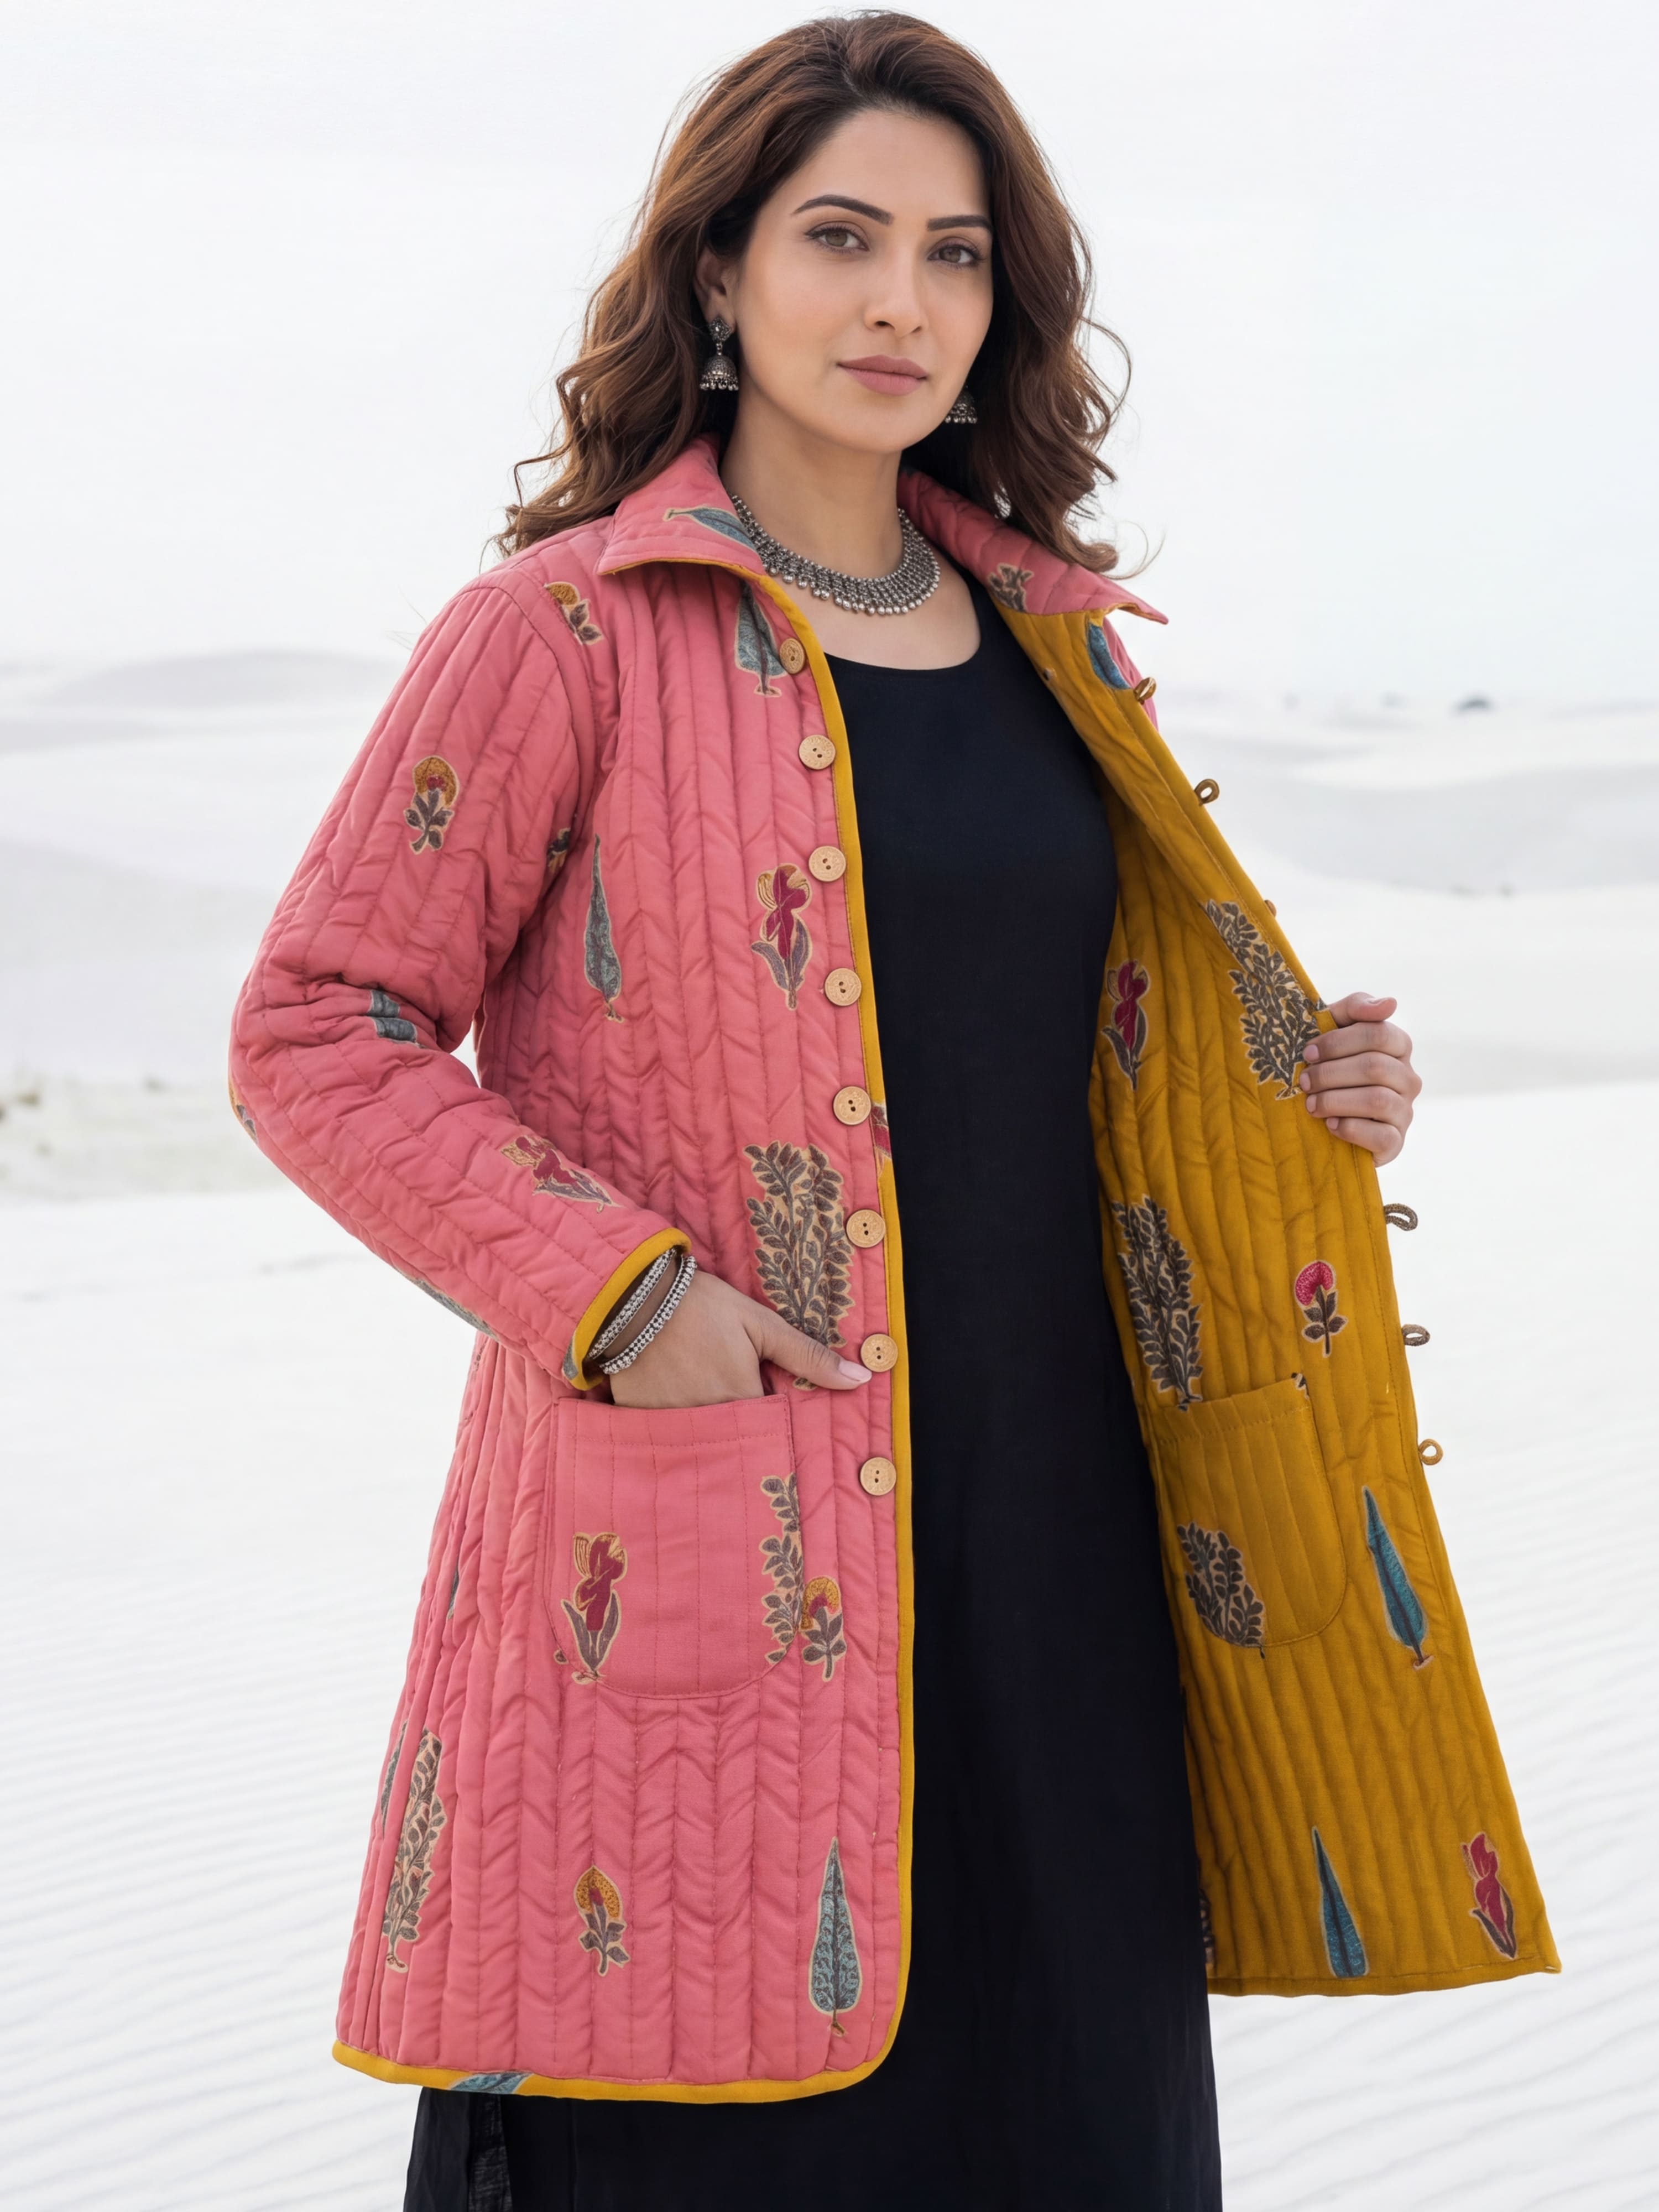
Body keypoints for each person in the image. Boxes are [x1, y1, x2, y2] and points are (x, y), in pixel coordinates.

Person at [229, 15, 1556, 2210]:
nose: (900, 302)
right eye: (841, 238)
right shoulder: (565, 631)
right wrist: (619, 1293)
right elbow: (315, 1026)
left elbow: (1070, 1049)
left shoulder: (1060, 645)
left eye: (954, 255)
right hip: (718, 1526)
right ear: (720, 269)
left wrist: (1304, 1091)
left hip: (1072, 1576)